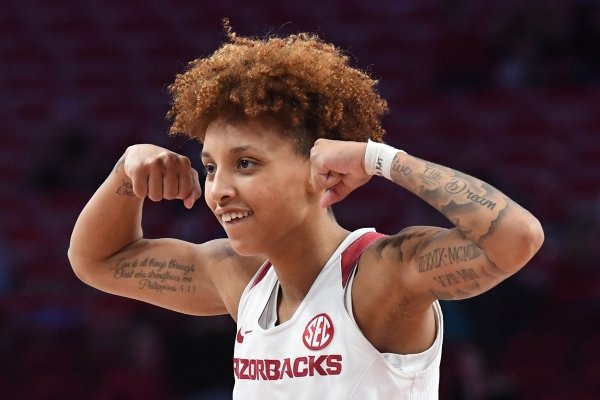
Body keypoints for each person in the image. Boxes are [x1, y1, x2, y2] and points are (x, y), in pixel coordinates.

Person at [68, 22, 544, 399]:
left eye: (246, 163)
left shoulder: (380, 275)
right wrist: (123, 175)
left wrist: (381, 159)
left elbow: (517, 238)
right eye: (211, 167)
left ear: (316, 165)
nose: (219, 190)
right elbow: (97, 262)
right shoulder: (240, 280)